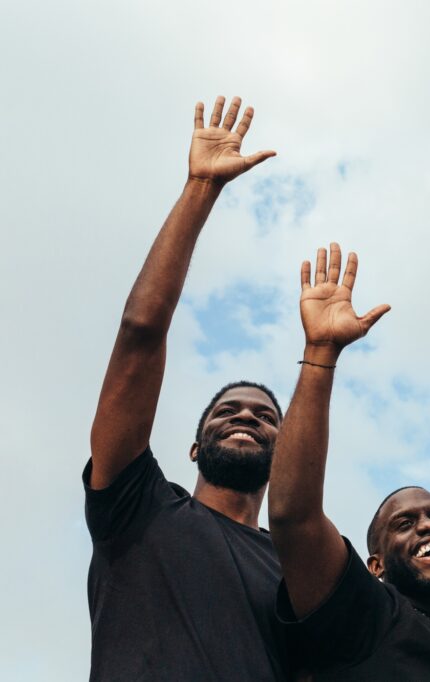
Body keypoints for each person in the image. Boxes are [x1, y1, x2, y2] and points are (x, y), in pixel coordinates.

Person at [85, 97, 293, 680]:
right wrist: (200, 189)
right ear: (195, 449)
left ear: (282, 454)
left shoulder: (296, 568)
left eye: (264, 415)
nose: (247, 416)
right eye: (228, 411)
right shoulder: (140, 508)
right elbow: (139, 333)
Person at [268, 243, 430, 679]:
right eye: (405, 524)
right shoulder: (371, 615)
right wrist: (320, 352)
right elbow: (292, 517)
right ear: (376, 565)